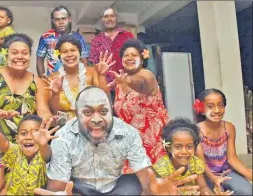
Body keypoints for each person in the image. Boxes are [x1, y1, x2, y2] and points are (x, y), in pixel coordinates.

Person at [34, 86, 199, 195]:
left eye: (103, 111)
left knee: (134, 186)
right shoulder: (63, 138)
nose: (97, 119)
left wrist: (156, 191)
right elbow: (57, 188)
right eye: (88, 112)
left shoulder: (128, 133)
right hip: (80, 189)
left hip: (116, 187)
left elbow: (146, 178)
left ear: (111, 112)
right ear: (77, 115)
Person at [97, 39, 168, 172]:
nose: (129, 58)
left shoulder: (147, 76)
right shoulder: (119, 82)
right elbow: (105, 102)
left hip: (155, 144)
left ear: (142, 59)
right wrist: (101, 75)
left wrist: (128, 80)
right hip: (132, 145)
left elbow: (142, 84)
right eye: (126, 55)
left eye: (134, 55)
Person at [0, 101, 60, 195]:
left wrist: (43, 144)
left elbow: (47, 154)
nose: (28, 137)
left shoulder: (43, 154)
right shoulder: (15, 152)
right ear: (16, 139)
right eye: (23, 133)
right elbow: (0, 140)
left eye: (35, 133)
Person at [0, 33, 52, 143]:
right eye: (14, 53)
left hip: (28, 143)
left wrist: (52, 119)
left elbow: (43, 111)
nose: (20, 57)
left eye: (25, 53)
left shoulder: (38, 82)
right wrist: (0, 113)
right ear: (6, 54)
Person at [153, 117, 233, 195]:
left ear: (195, 147)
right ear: (169, 148)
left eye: (189, 147)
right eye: (178, 147)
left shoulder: (195, 162)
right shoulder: (162, 167)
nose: (184, 151)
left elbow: (203, 187)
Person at [195, 88, 253, 195]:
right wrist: (214, 179)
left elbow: (232, 159)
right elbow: (201, 164)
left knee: (247, 192)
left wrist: (249, 174)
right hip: (205, 175)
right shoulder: (197, 131)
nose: (217, 110)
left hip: (227, 172)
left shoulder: (229, 128)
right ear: (201, 109)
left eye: (220, 105)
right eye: (210, 106)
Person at [42, 35, 110, 120]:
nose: (69, 54)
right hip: (64, 126)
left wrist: (101, 76)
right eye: (65, 51)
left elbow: (105, 100)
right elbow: (54, 112)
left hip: (92, 124)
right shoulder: (54, 78)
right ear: (59, 55)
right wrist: (56, 94)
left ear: (79, 52)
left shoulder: (92, 72)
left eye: (73, 50)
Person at [89, 7, 134, 103]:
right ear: (102, 19)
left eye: (112, 16)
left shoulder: (128, 36)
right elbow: (94, 67)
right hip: (106, 87)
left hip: (127, 84)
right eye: (106, 16)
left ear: (116, 18)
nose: (109, 19)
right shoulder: (96, 41)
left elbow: (136, 58)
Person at [36, 6, 89, 77]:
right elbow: (40, 59)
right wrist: (42, 80)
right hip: (53, 79)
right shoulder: (46, 37)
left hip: (74, 79)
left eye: (63, 18)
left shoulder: (78, 38)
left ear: (69, 19)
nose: (61, 22)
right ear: (53, 21)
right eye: (57, 19)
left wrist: (83, 79)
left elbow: (83, 61)